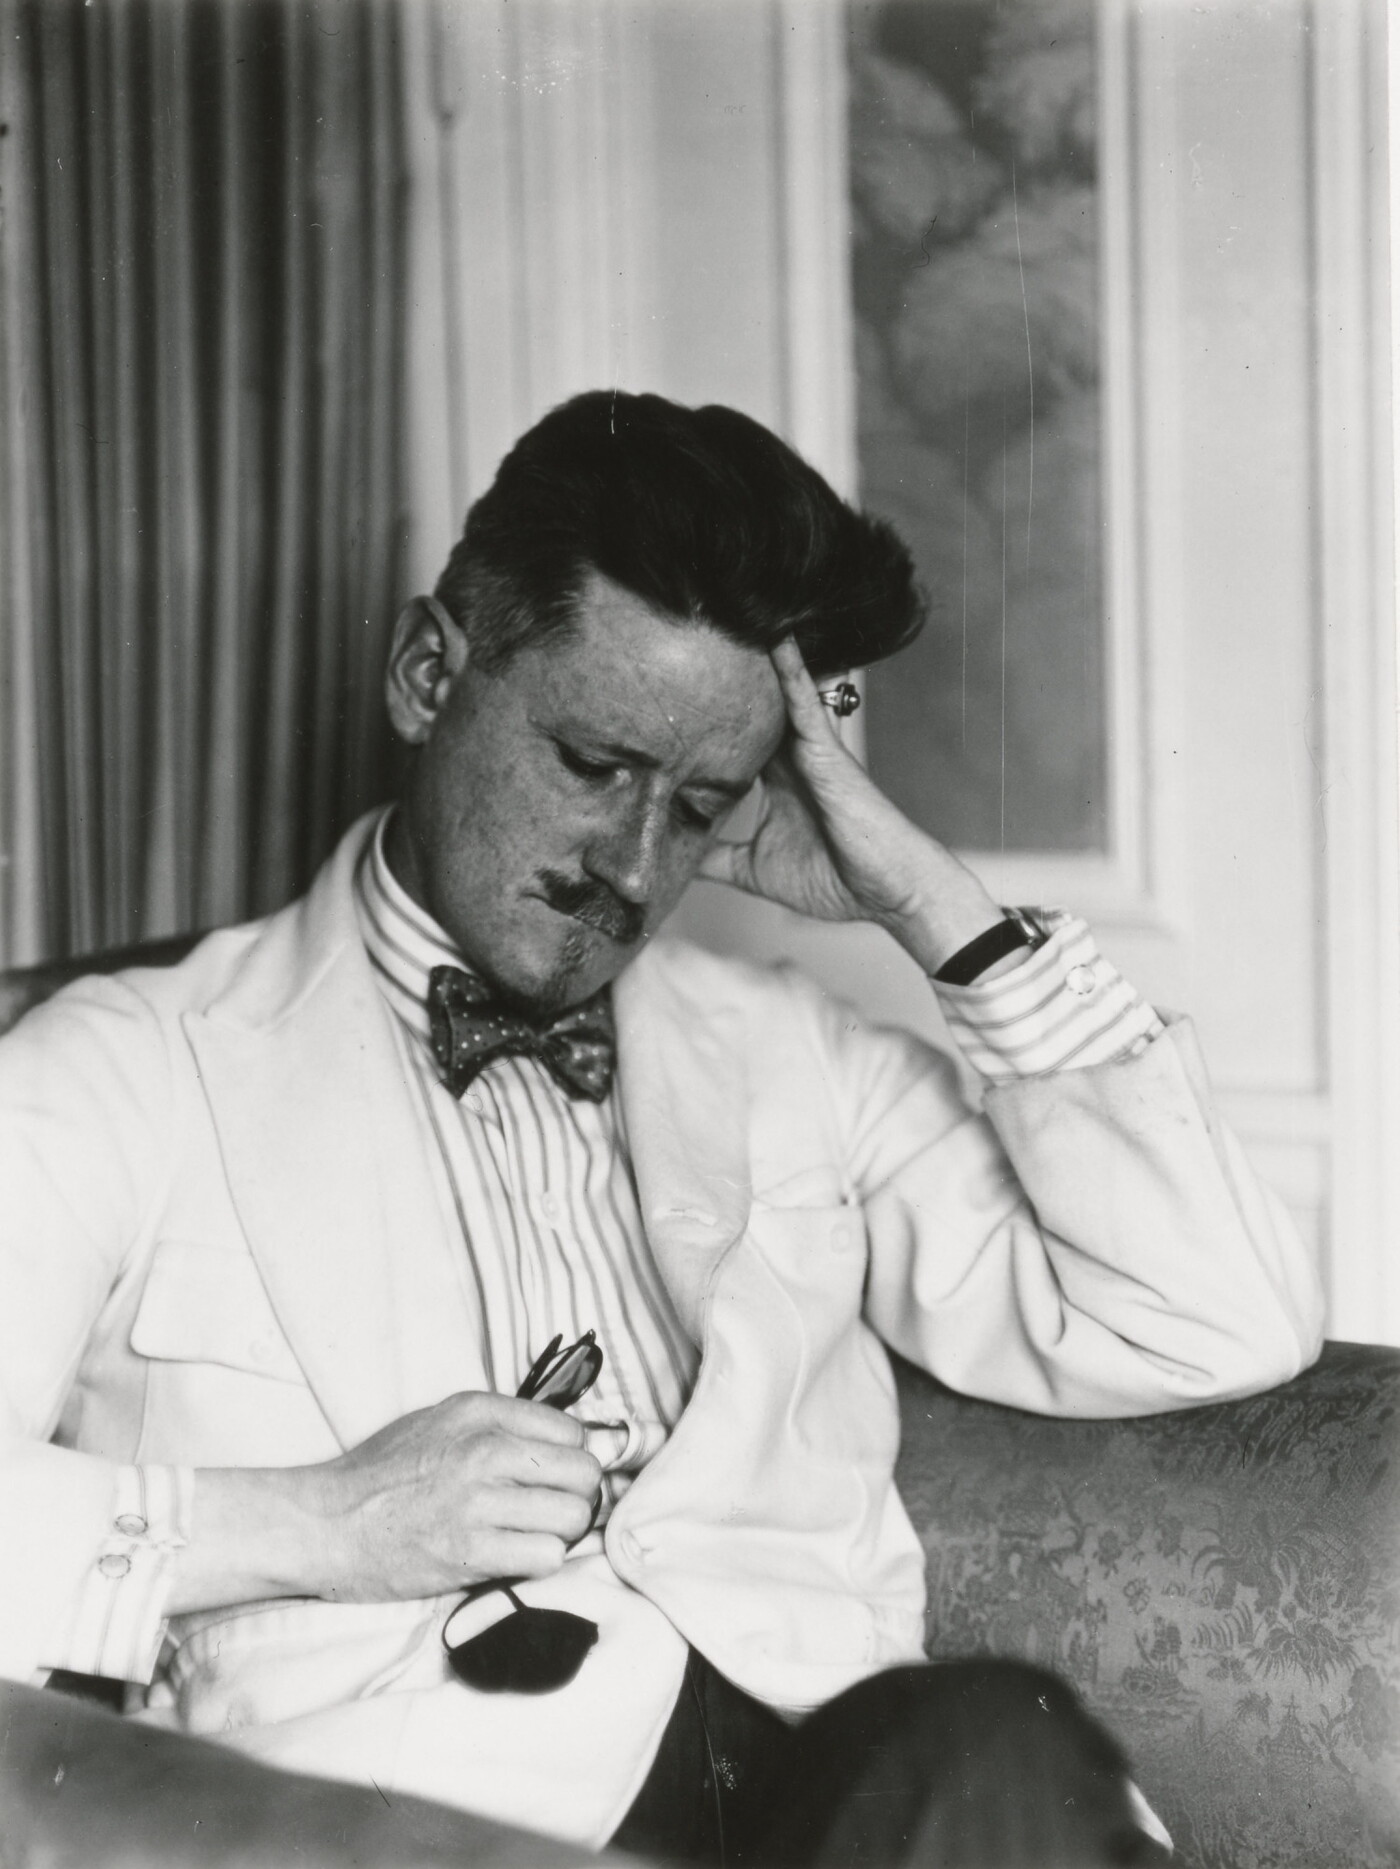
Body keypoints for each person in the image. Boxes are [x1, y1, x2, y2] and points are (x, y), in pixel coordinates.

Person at [0, 392, 1322, 1866]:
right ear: (429, 673)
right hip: (435, 1826)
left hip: (864, 1803)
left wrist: (926, 903)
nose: (634, 867)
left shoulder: (790, 1053)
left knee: (993, 1736)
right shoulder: (123, 1069)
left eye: (697, 806)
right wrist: (325, 1520)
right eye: (593, 763)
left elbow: (1215, 1319)